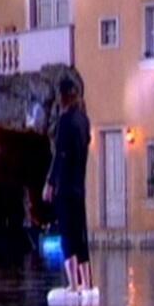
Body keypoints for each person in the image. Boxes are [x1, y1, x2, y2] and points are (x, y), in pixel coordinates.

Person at [43, 76, 93, 293]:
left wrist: (50, 183)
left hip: (65, 187)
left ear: (63, 97)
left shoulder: (65, 121)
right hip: (79, 186)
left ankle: (73, 284)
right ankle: (87, 283)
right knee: (80, 234)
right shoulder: (84, 120)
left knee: (66, 235)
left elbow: (60, 155)